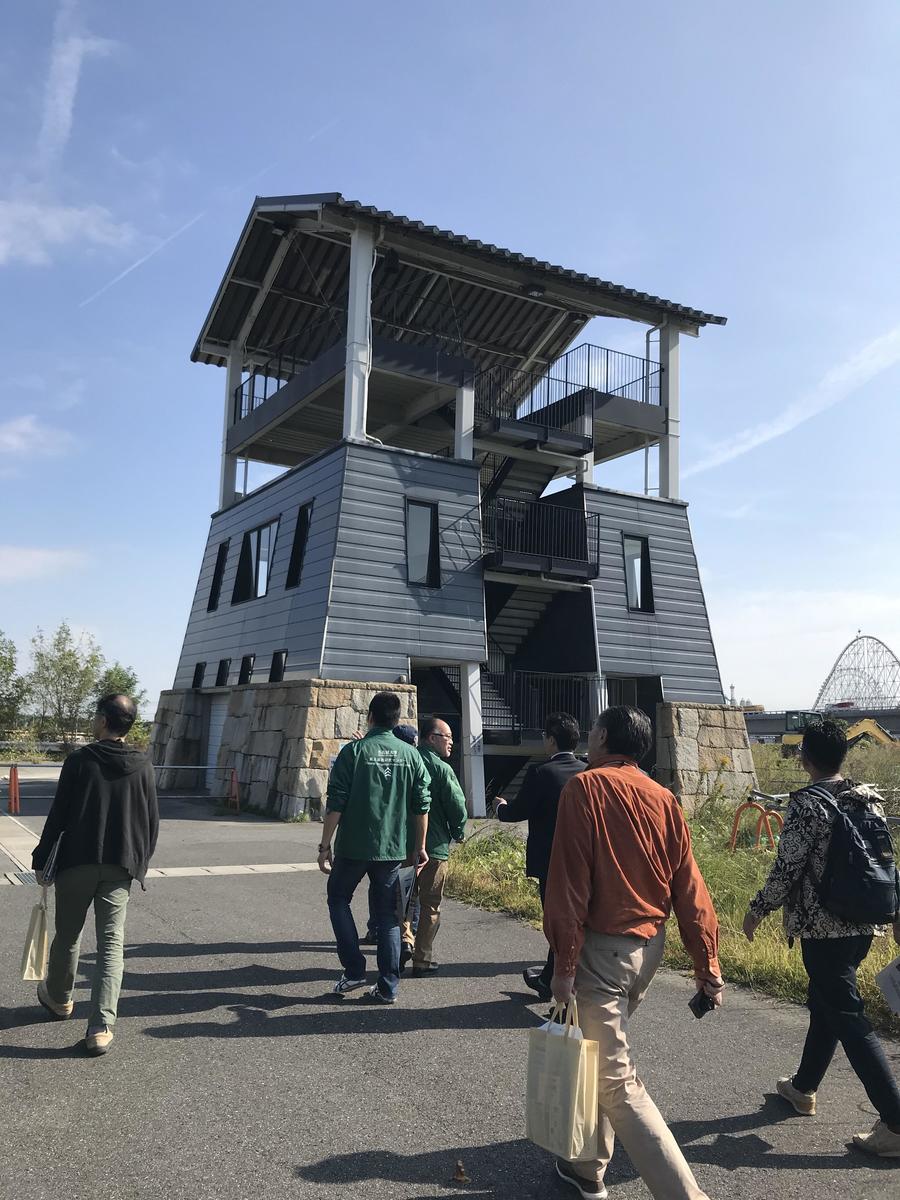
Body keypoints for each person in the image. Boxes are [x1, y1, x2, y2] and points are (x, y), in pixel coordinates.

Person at [544, 705, 723, 1200]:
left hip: (600, 952)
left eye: (594, 732)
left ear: (601, 736)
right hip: (648, 949)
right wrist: (706, 965)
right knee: (597, 1059)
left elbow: (569, 884)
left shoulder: (585, 787)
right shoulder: (664, 798)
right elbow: (690, 888)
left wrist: (562, 966)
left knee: (617, 1082)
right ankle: (586, 1169)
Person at [743, 719, 900, 1157]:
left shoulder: (808, 805)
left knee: (847, 1015)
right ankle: (803, 1087)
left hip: (823, 927)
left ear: (805, 757)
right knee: (826, 1005)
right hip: (865, 924)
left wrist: (757, 910)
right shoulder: (866, 799)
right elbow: (887, 860)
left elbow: (787, 867)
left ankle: (896, 1122)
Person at [32, 694, 159, 1057]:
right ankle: (101, 1026)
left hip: (77, 861)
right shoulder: (143, 765)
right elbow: (151, 821)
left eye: (96, 716)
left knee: (68, 936)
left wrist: (42, 859)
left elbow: (58, 815)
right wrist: (140, 861)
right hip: (121, 865)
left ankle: (59, 998)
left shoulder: (80, 762)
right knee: (111, 945)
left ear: (104, 720)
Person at [318, 692, 430, 1004]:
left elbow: (336, 802)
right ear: (397, 721)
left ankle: (354, 969)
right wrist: (419, 847)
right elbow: (422, 806)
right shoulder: (412, 756)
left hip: (354, 845)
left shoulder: (353, 752)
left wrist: (324, 845)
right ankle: (387, 986)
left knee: (338, 899)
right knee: (389, 917)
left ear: (370, 717)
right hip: (393, 850)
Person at [495, 712, 584, 1002]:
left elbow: (518, 812)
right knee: (577, 921)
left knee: (558, 922)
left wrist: (501, 807)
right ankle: (550, 976)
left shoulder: (541, 772)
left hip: (551, 862)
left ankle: (554, 980)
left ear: (551, 740)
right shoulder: (589, 771)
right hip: (585, 862)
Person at [407, 717, 468, 977]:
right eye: (448, 737)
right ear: (432, 738)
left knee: (399, 900)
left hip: (399, 845)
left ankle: (403, 940)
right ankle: (422, 959)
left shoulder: (406, 761)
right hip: (434, 847)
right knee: (430, 904)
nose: (452, 742)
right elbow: (457, 806)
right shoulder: (442, 769)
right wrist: (458, 832)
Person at [361, 724, 420, 960]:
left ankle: (377, 929)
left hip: (386, 839)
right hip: (412, 839)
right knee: (410, 890)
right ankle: (408, 935)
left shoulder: (380, 759)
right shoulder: (416, 762)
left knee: (380, 887)